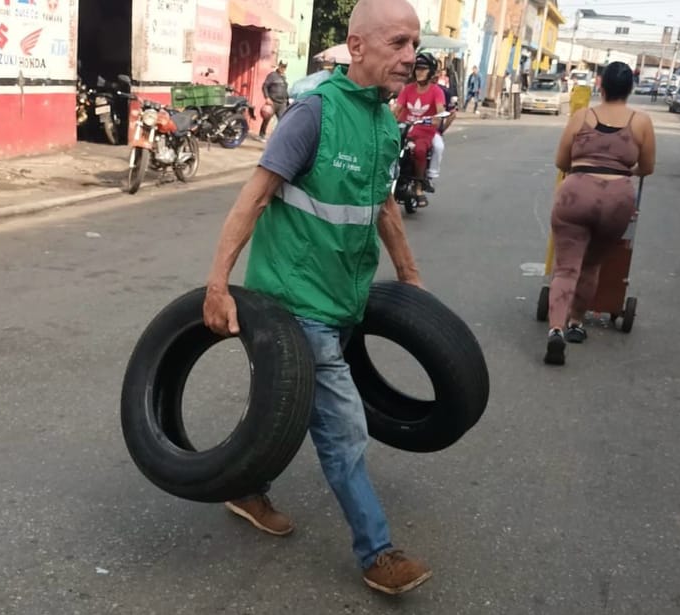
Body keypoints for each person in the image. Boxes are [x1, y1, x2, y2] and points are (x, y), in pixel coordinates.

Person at [202, 0, 433, 595]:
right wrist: (218, 284)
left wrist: (409, 278)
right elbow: (253, 198)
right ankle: (377, 552)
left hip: (343, 299)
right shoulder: (315, 115)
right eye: (398, 43)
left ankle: (247, 487)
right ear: (356, 47)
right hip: (296, 301)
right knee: (344, 428)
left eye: (414, 45)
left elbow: (381, 206)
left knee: (291, 406)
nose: (410, 57)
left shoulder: (383, 121)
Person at [545, 61, 656, 365]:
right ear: (630, 89)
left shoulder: (582, 116)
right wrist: (622, 169)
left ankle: (556, 328)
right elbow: (647, 168)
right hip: (617, 200)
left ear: (601, 85)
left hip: (576, 193)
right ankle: (577, 323)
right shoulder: (641, 122)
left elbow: (560, 160)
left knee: (566, 268)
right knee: (591, 265)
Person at [393, 52, 446, 206]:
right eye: (417, 69)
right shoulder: (407, 89)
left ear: (430, 71)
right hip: (404, 129)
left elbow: (440, 113)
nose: (419, 72)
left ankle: (418, 186)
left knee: (420, 151)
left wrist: (433, 120)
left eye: (423, 69)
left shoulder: (437, 91)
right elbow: (397, 109)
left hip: (424, 131)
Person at [260, 60, 289, 141]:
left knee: (283, 120)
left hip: (282, 103)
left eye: (285, 67)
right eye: (282, 66)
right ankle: (261, 134)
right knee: (267, 118)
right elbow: (264, 86)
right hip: (272, 102)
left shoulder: (284, 77)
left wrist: (287, 100)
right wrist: (267, 97)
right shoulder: (272, 75)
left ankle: (279, 137)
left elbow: (285, 90)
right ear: (279, 65)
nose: (283, 68)